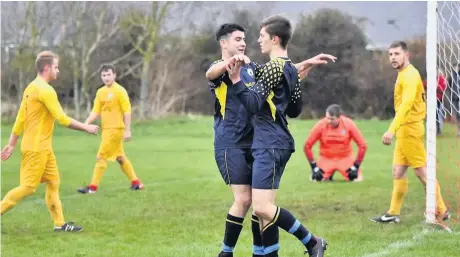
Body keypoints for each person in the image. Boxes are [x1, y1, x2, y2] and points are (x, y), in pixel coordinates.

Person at [207, 24, 335, 257]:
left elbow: (276, 72)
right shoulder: (221, 69)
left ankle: (262, 253)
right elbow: (211, 72)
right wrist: (229, 65)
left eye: (245, 39)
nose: (244, 43)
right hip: (231, 143)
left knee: (260, 206)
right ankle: (226, 253)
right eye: (237, 39)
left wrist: (303, 65)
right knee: (246, 200)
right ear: (223, 43)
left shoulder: (251, 68)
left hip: (257, 141)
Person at [0, 51, 99, 232]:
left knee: (53, 182)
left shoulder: (31, 87)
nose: (58, 71)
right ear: (47, 68)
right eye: (56, 67)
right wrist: (86, 127)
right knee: (28, 187)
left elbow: (20, 119)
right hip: (36, 148)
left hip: (43, 148)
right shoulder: (45, 90)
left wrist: (12, 143)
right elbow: (61, 119)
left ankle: (60, 224)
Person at [372, 41, 450, 224]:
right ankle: (393, 213)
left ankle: (442, 209)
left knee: (422, 173)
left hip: (410, 130)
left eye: (397, 54)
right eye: (390, 54)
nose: (393, 57)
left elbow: (406, 106)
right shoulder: (404, 74)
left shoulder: (410, 76)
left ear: (407, 55)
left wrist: (391, 130)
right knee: (398, 171)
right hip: (405, 130)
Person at [78, 64, 144, 194]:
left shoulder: (120, 91)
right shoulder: (100, 92)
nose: (106, 77)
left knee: (101, 156)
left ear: (114, 75)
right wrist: (85, 124)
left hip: (116, 129)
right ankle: (136, 183)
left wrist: (127, 130)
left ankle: (92, 188)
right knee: (120, 157)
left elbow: (127, 111)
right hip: (106, 130)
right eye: (103, 75)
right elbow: (95, 111)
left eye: (108, 74)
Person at [304, 104, 367, 182]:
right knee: (316, 179)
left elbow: (362, 145)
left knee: (356, 179)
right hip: (326, 158)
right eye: (327, 118)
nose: (329, 121)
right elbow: (307, 145)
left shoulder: (348, 124)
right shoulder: (321, 125)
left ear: (339, 117)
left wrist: (356, 166)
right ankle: (328, 173)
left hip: (345, 157)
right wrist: (314, 167)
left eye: (332, 119)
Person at [447, 63, 460, 136]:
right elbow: (449, 86)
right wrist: (451, 95)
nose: (456, 68)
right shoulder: (451, 76)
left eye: (457, 67)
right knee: (457, 115)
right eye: (454, 67)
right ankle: (459, 130)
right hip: (454, 98)